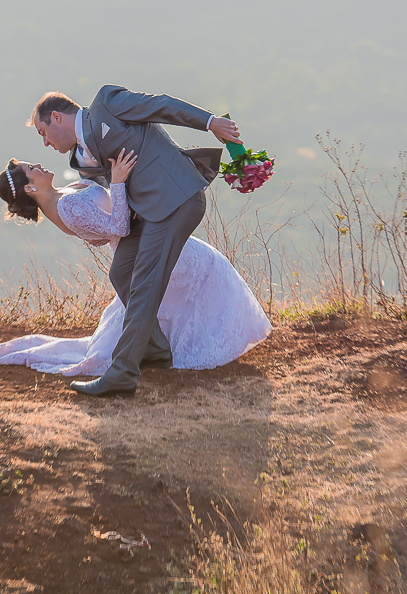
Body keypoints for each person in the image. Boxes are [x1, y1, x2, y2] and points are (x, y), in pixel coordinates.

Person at [22, 85, 246, 396]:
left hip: (175, 200)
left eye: (44, 132)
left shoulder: (107, 104)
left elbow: (161, 106)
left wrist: (210, 122)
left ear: (57, 117)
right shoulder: (80, 159)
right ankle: (155, 349)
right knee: (121, 273)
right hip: (146, 214)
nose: (45, 142)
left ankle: (122, 373)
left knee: (145, 284)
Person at [0, 156, 271, 377]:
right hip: (140, 249)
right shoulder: (65, 207)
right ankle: (192, 348)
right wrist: (118, 181)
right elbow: (119, 226)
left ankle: (171, 344)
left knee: (199, 275)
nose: (38, 165)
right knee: (206, 270)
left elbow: (100, 233)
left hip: (143, 244)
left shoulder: (59, 201)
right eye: (31, 168)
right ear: (30, 187)